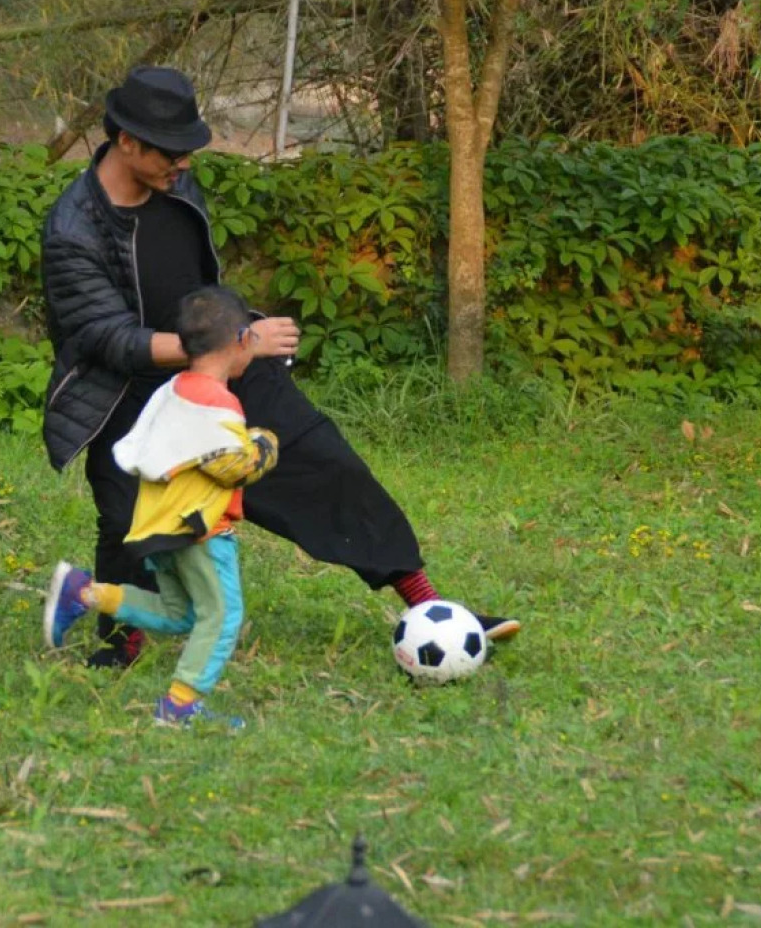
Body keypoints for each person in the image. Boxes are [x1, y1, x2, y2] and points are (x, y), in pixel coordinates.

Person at [40, 65, 519, 669]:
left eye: (190, 151)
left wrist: (238, 338)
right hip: (128, 396)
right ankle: (118, 638)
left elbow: (196, 286)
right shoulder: (73, 230)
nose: (185, 164)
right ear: (127, 142)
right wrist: (239, 337)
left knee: (329, 466)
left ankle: (431, 610)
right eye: (173, 152)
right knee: (129, 520)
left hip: (227, 368)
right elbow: (111, 341)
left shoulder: (177, 188)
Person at [43, 285, 277, 726]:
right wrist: (265, 445)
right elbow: (233, 466)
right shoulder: (218, 403)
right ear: (243, 339)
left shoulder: (174, 389)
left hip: (157, 524)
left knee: (178, 613)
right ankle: (180, 706)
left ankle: (84, 592)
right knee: (223, 616)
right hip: (200, 532)